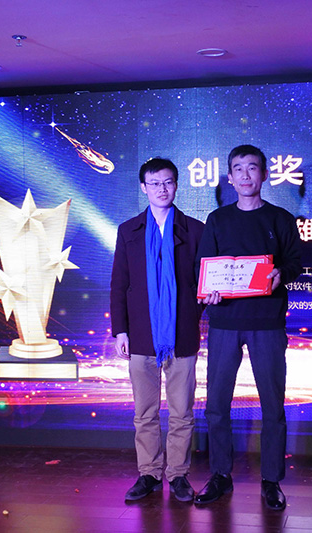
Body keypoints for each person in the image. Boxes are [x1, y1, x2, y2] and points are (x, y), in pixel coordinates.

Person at [194, 144, 302, 511]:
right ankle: (220, 474)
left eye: (252, 168)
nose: (245, 174)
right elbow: (204, 268)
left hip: (267, 323)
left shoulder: (281, 219)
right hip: (224, 322)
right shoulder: (217, 219)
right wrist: (208, 292)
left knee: (272, 404)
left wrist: (281, 273)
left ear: (264, 174)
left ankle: (271, 480)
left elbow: (295, 263)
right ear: (230, 177)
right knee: (216, 404)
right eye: (238, 168)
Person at [110, 158, 205, 503]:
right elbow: (119, 283)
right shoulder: (129, 230)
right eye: (154, 183)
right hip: (140, 334)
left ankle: (178, 474)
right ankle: (149, 473)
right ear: (143, 187)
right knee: (144, 413)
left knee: (182, 413)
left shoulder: (195, 230)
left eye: (168, 182)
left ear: (176, 185)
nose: (162, 189)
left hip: (182, 334)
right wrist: (120, 331)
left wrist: (191, 312)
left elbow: (203, 282)